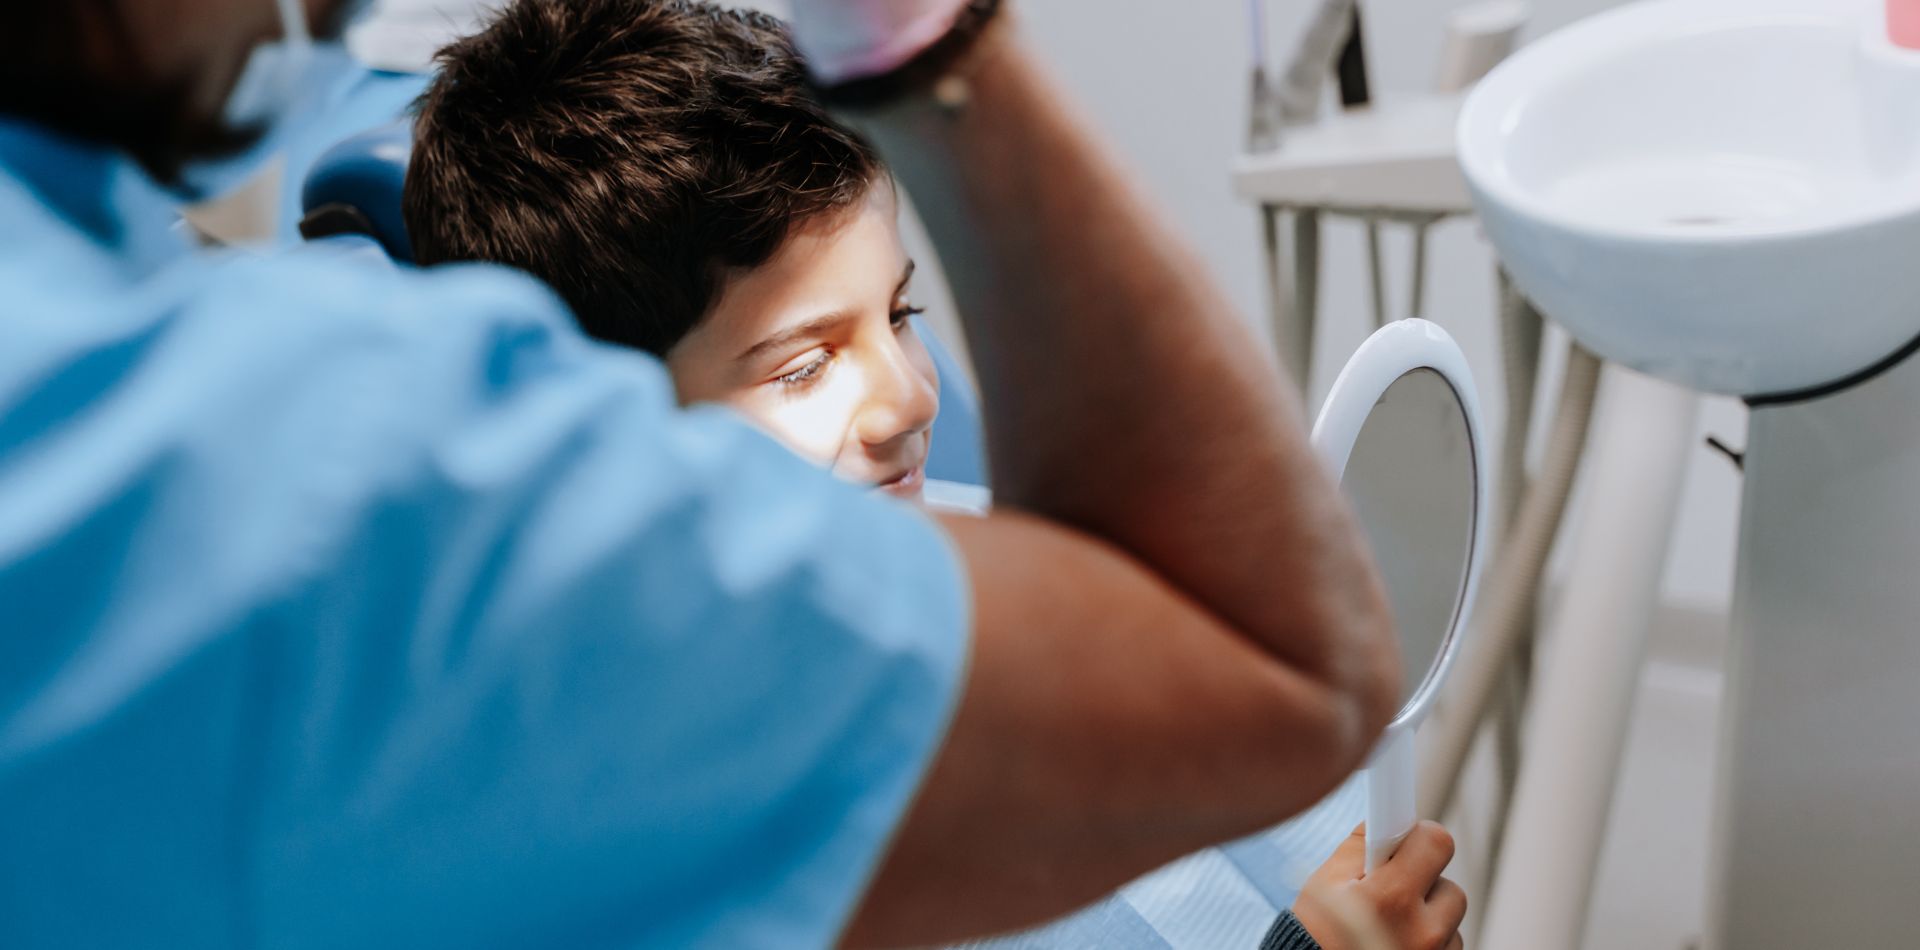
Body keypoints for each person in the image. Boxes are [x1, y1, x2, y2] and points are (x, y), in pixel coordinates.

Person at [0, 1, 1450, 948]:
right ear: (604, 429)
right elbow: (1283, 670)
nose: (906, 401)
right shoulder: (542, 629)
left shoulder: (964, 543)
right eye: (800, 365)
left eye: (903, 316)